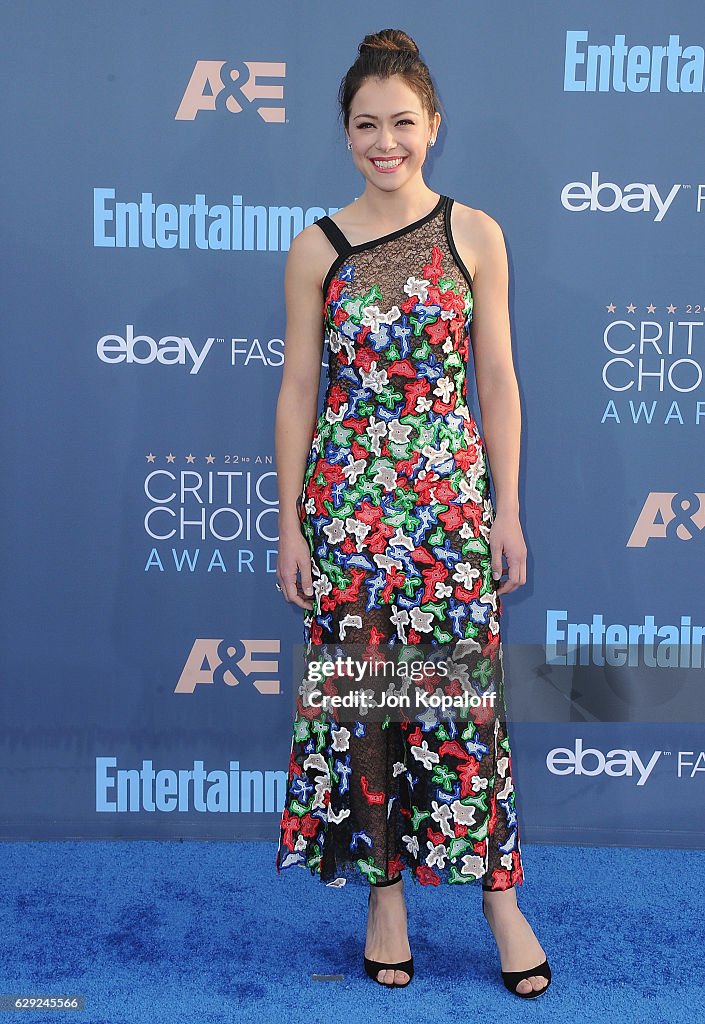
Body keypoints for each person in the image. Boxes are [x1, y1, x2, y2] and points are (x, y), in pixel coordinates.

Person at [273, 28, 551, 999]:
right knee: (365, 708)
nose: (384, 141)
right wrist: (290, 522)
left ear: (433, 126)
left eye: (402, 123)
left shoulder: (476, 234)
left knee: (461, 710)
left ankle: (498, 898)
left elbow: (500, 380)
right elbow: (299, 389)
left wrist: (506, 509)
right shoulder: (319, 247)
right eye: (365, 125)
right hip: (349, 514)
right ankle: (382, 895)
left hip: (446, 515)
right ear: (344, 133)